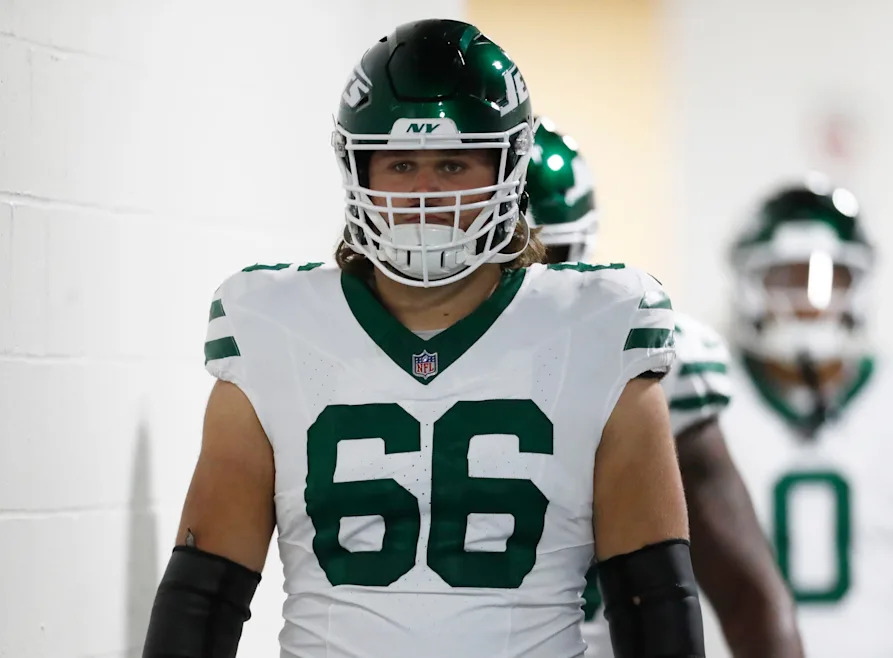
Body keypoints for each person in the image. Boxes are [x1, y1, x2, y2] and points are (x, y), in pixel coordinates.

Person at [141, 19, 705, 658]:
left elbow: (652, 600)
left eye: (454, 163)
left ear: (507, 167)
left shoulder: (599, 328)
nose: (424, 194)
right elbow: (204, 595)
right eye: (402, 163)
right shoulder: (272, 327)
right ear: (360, 169)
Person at [526, 118, 804, 658]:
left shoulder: (655, 357)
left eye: (545, 263)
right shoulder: (356, 350)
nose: (526, 287)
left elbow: (750, 598)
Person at [720, 175, 893, 657]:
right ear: (750, 283)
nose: (811, 302)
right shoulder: (703, 393)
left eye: (834, 278)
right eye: (788, 278)